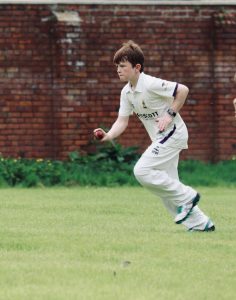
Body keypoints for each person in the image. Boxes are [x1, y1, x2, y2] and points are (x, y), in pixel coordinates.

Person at [94, 40, 215, 232]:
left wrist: (169, 114)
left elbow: (183, 90)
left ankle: (188, 197)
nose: (118, 70)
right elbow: (122, 121)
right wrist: (108, 136)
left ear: (137, 67)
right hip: (161, 138)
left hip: (173, 134)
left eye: (123, 66)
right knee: (167, 190)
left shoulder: (150, 83)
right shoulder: (126, 92)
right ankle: (202, 225)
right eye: (117, 66)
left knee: (142, 170)